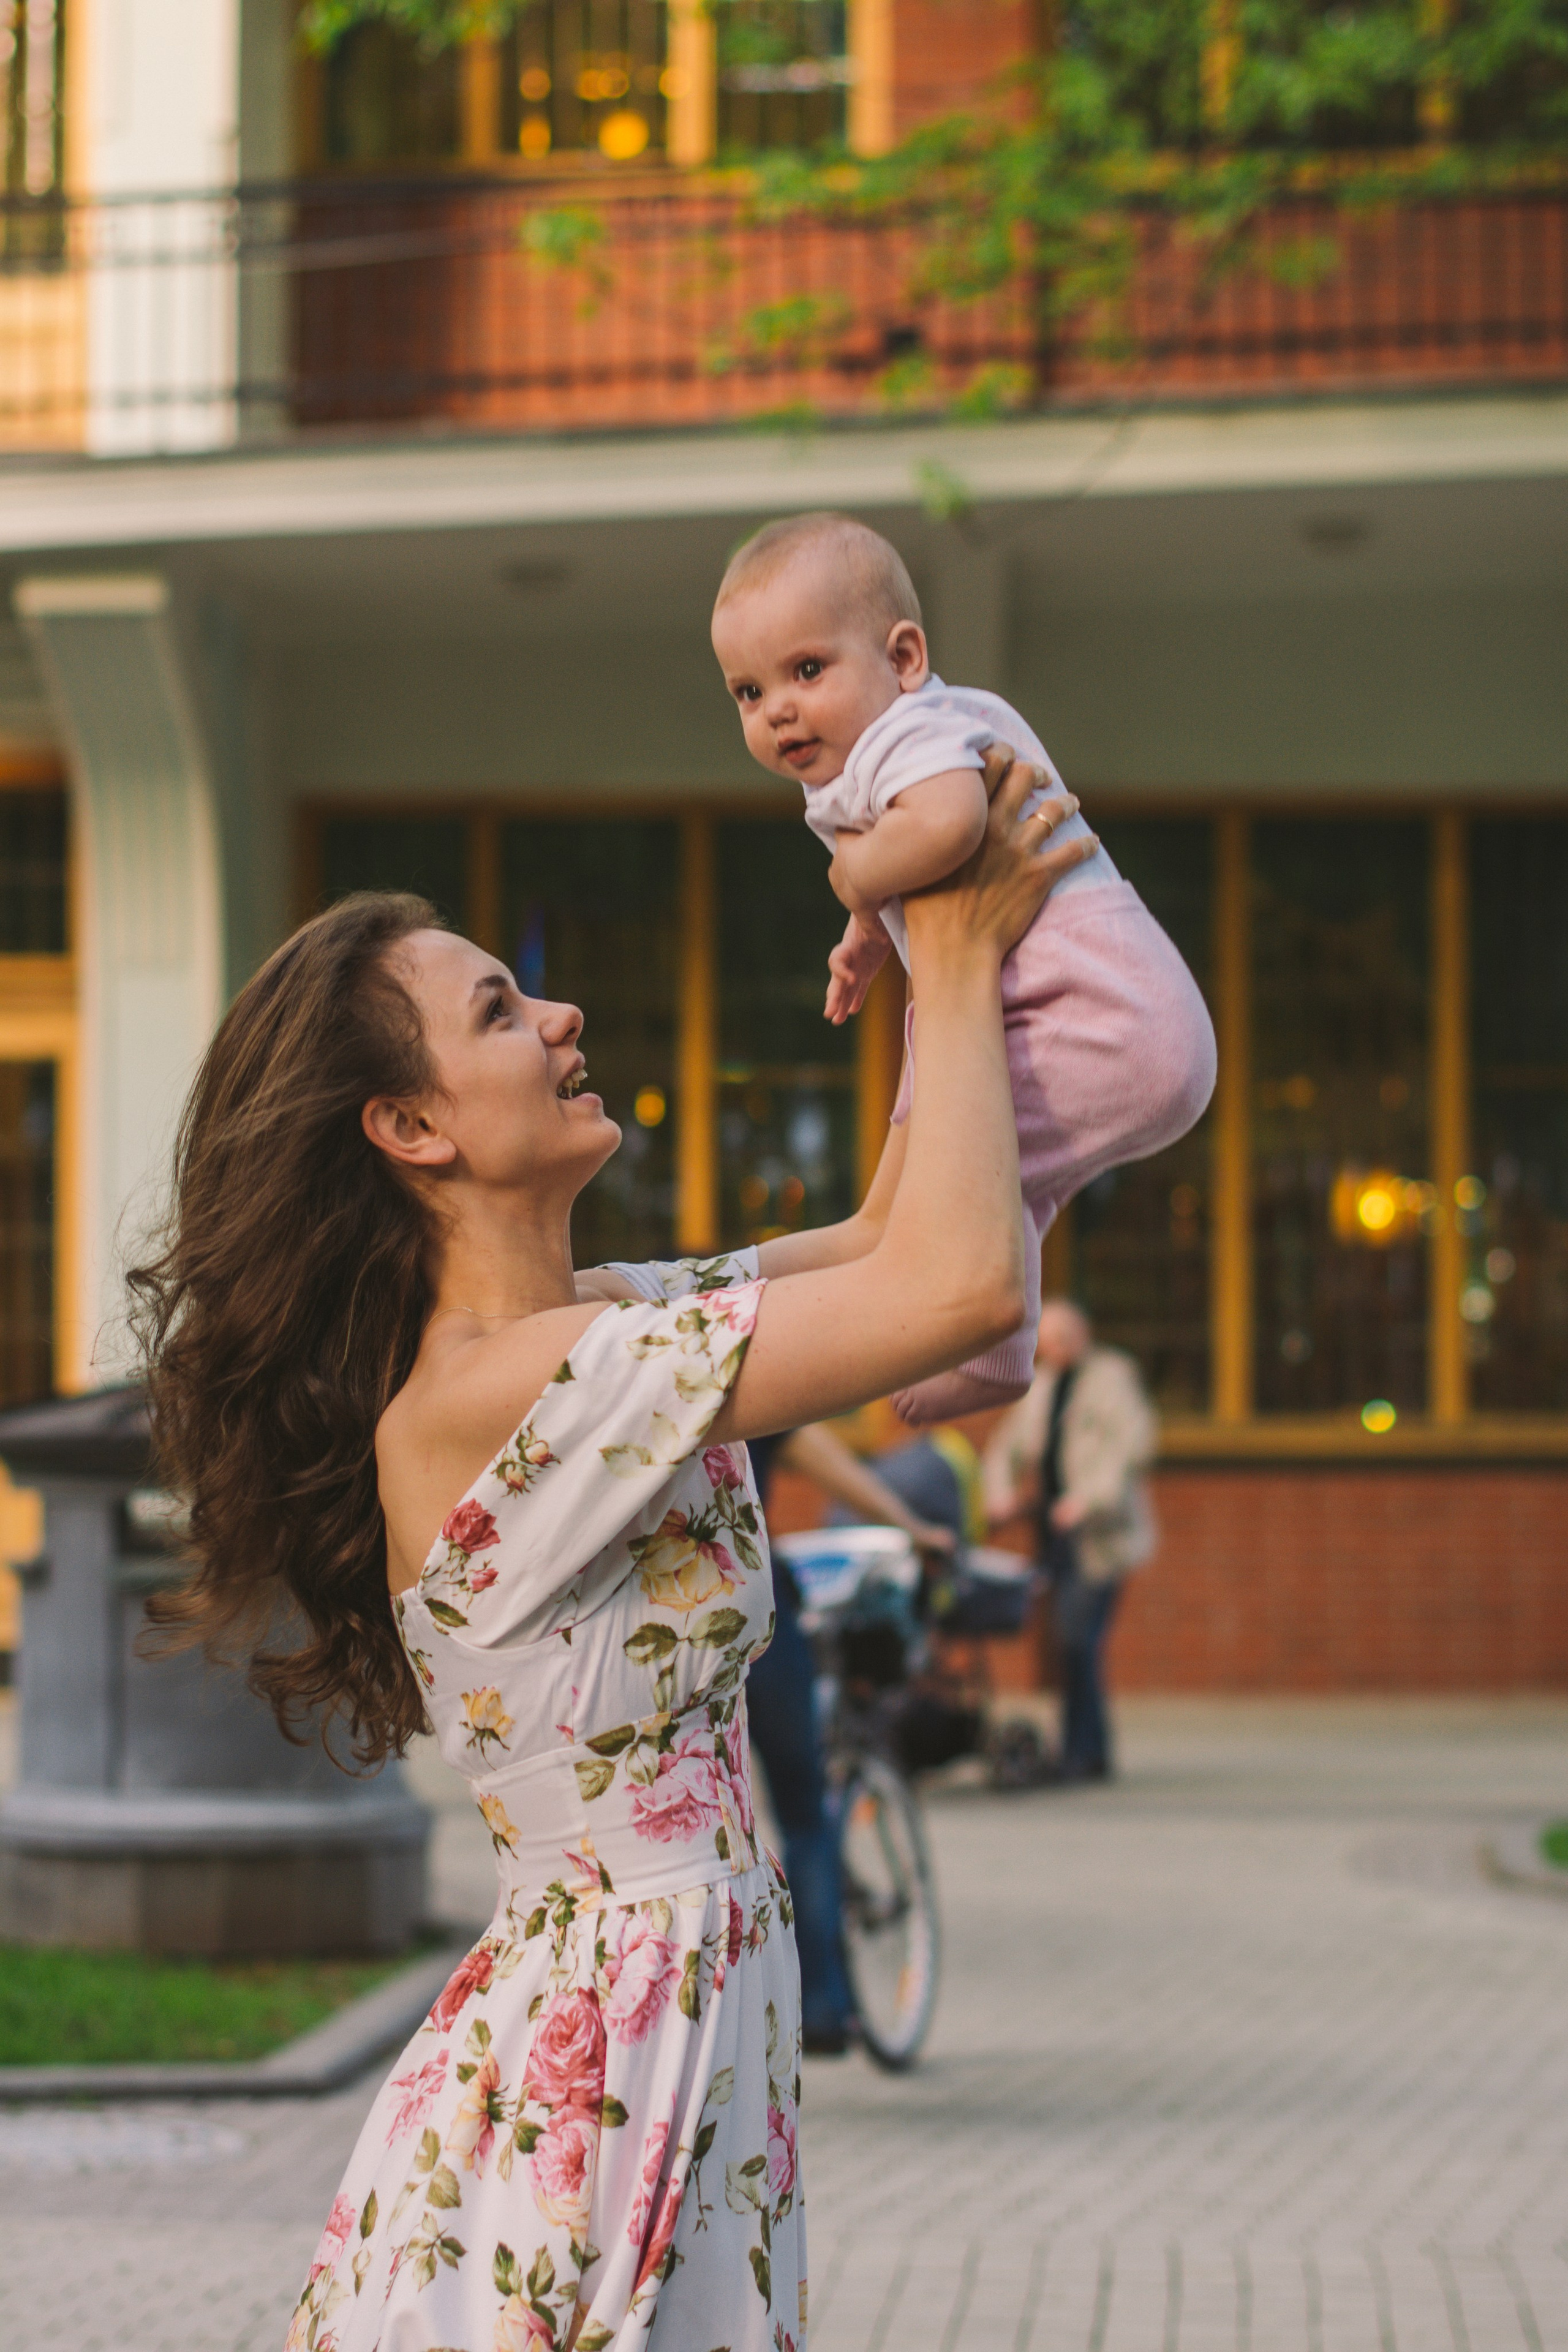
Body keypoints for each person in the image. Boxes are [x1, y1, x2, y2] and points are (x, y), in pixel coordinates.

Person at [129, 752, 1091, 2352]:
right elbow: (962, 1289)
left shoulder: (610, 1316)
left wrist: (929, 944)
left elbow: (893, 1229)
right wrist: (975, 954)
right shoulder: (502, 1391)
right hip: (588, 2079)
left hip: (672, 2027)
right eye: (504, 1011)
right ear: (412, 1124)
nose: (563, 1020)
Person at [709, 511, 1216, 1427]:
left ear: (903, 658)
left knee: (957, 1184)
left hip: (1089, 1015)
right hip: (1105, 1017)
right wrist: (866, 931)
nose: (777, 708)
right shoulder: (907, 738)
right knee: (986, 1182)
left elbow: (948, 827)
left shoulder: (910, 733)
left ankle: (991, 1345)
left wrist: (851, 872)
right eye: (747, 692)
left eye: (807, 671)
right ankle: (995, 1343)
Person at [744, 1424, 954, 2056]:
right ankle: (826, 2007)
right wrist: (914, 1530)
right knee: (804, 1816)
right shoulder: (725, 1361)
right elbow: (830, 1462)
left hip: (647, 1623)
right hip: (752, 1605)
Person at [982, 1300, 1158, 1782]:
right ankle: (1089, 1751)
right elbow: (1005, 1449)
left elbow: (1132, 1449)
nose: (1053, 1349)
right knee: (1071, 1642)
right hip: (1055, 1538)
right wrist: (1000, 1497)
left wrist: (1087, 1500)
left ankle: (1084, 1752)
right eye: (1047, 1340)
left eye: (1061, 1339)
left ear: (1083, 1336)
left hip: (1101, 1539)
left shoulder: (1113, 1379)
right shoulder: (1044, 1385)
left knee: (1078, 1638)